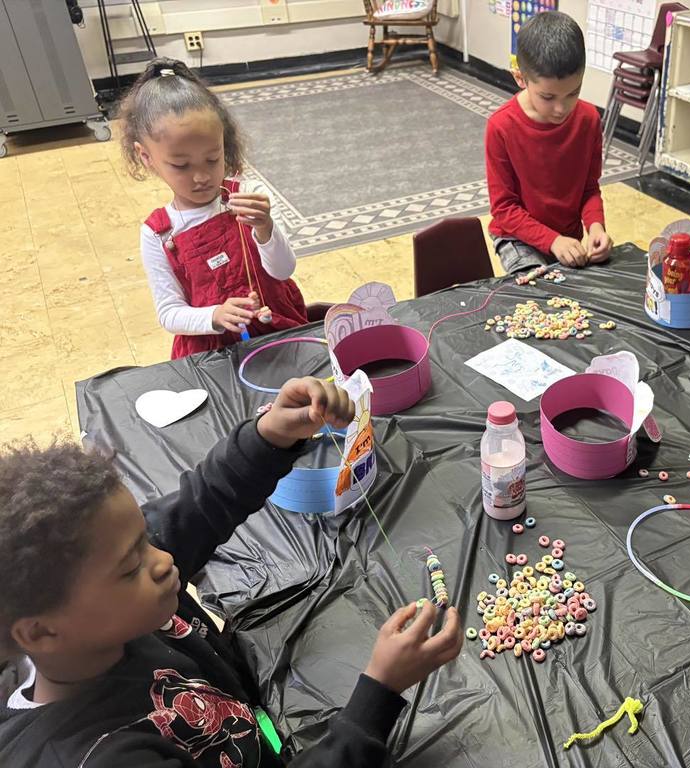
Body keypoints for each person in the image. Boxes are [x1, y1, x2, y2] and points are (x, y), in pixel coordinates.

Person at [0, 377, 462, 767]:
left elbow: (198, 507)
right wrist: (378, 694)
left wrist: (272, 434)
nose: (162, 560)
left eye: (144, 539)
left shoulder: (104, 611)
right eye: (131, 566)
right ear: (41, 633)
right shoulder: (109, 756)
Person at [120, 57, 309, 359]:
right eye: (181, 165)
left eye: (212, 158)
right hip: (211, 353)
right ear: (146, 157)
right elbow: (169, 313)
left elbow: (284, 270)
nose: (202, 176)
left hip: (277, 332)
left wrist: (265, 229)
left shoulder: (246, 194)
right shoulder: (159, 233)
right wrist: (214, 316)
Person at [485, 11, 613, 274]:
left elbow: (589, 188)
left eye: (573, 93)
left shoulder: (588, 119)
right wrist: (552, 240)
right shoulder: (501, 127)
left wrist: (596, 225)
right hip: (517, 237)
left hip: (568, 237)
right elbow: (504, 209)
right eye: (547, 96)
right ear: (520, 78)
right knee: (536, 292)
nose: (561, 108)